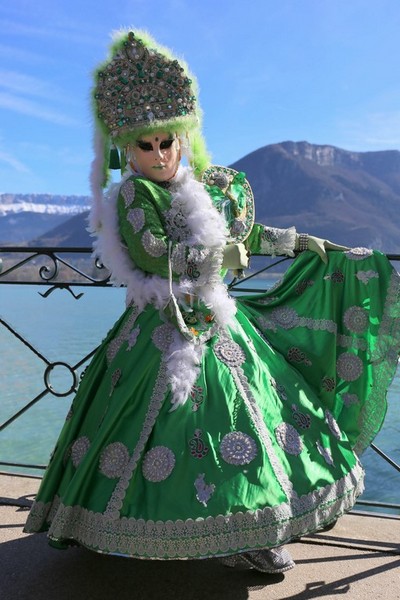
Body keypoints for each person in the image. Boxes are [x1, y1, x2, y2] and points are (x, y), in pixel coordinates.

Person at [24, 29, 400, 574]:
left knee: (247, 418)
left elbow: (238, 235)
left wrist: (298, 242)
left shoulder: (198, 186)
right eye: (144, 145)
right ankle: (139, 528)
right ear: (126, 149)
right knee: (176, 423)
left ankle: (251, 532)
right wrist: (217, 258)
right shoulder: (134, 193)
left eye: (165, 143)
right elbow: (153, 253)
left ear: (181, 140)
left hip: (218, 320)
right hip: (160, 326)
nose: (157, 155)